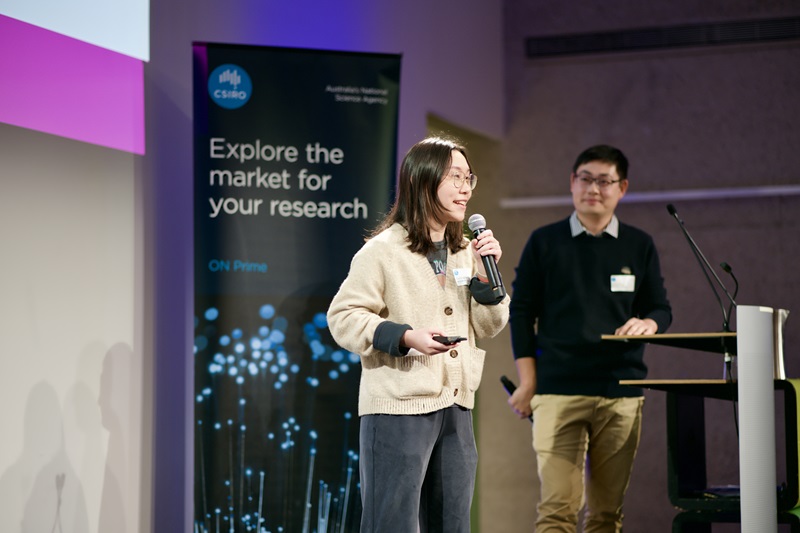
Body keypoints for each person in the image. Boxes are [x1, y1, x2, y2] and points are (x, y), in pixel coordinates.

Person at [327, 136, 509, 533]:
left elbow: (490, 326)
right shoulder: (383, 251)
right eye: (455, 177)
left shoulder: (466, 251)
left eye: (469, 178)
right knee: (391, 523)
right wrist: (405, 337)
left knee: (453, 523)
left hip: (457, 407)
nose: (465, 188)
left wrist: (484, 276)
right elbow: (342, 317)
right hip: (397, 408)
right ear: (424, 182)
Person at [507, 145, 672, 532]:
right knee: (557, 510)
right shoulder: (545, 241)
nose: (593, 189)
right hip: (558, 390)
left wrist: (649, 323)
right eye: (585, 178)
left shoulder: (639, 244)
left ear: (622, 187)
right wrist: (529, 382)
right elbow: (521, 312)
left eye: (604, 181)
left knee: (606, 515)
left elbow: (660, 308)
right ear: (572, 183)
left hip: (622, 392)